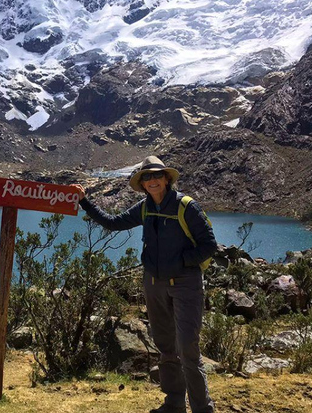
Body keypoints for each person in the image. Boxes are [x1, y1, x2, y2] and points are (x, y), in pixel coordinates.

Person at [75, 156, 217, 413]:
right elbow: (113, 222)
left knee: (188, 348)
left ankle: (202, 409)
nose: (152, 181)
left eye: (156, 175)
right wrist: (84, 201)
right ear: (142, 184)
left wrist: (182, 261)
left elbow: (209, 245)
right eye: (146, 177)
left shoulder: (186, 207)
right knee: (165, 345)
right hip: (154, 283)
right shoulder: (145, 207)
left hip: (186, 283)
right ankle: (174, 403)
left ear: (166, 179)